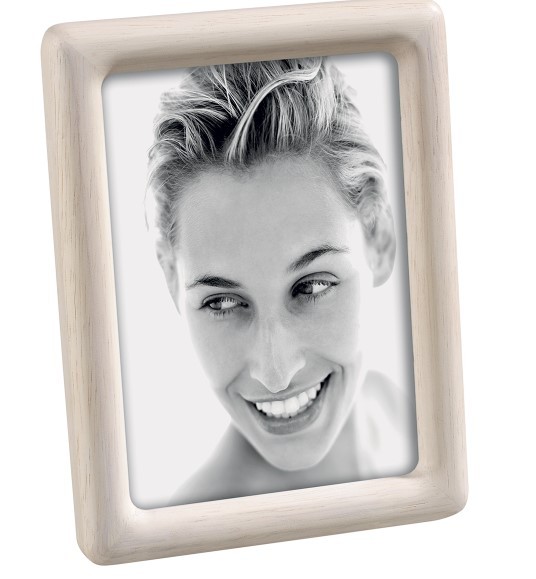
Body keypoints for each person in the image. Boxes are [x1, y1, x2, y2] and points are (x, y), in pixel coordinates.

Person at [146, 57, 416, 506]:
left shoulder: (412, 418)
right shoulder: (182, 534)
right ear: (172, 280)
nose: (275, 374)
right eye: (221, 303)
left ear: (380, 239)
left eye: (311, 287)